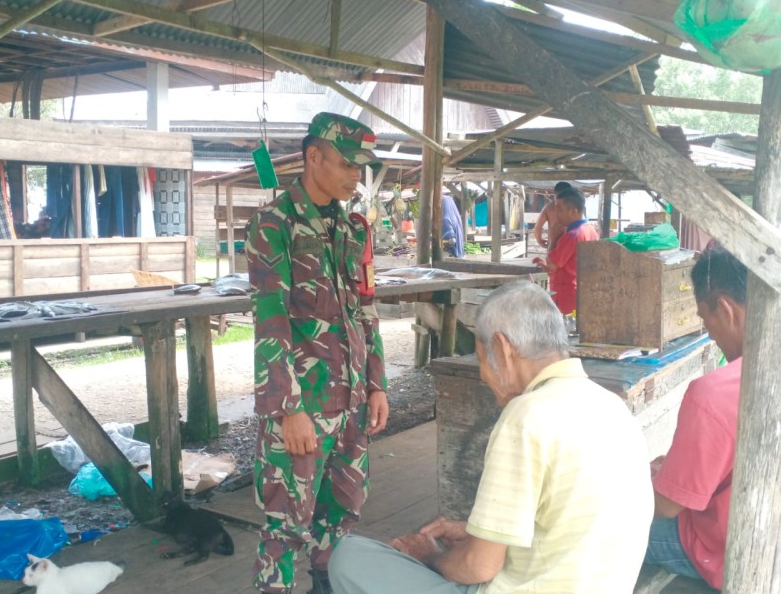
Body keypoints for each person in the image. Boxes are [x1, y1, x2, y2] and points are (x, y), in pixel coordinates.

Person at [329, 280, 654, 593]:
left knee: (348, 556)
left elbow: (478, 568)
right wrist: (477, 534)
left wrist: (427, 554)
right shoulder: (612, 406)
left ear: (502, 347)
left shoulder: (527, 415)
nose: (484, 375)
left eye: (482, 359)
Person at [246, 112, 389, 594]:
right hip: (304, 407)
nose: (356, 176)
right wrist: (287, 411)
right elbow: (272, 322)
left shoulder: (352, 229)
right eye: (348, 165)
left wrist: (376, 385)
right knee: (286, 527)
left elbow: (366, 310)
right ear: (313, 156)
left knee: (341, 520)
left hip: (350, 407)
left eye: (360, 167)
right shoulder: (274, 225)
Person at [645, 245, 747, 590]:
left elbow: (668, 505)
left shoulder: (714, 393)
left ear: (724, 308)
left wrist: (645, 480)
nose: (711, 335)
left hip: (728, 549)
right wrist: (677, 469)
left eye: (706, 320)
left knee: (607, 525)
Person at [532, 186, 598, 315]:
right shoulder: (590, 229)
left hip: (565, 295)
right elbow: (570, 263)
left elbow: (552, 263)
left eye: (559, 210)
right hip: (580, 291)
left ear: (573, 211)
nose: (556, 215)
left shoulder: (572, 235)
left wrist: (553, 239)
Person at [532, 181, 571, 251]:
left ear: (555, 193)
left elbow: (538, 227)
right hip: (569, 246)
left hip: (553, 246)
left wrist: (539, 240)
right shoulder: (574, 208)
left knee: (551, 261)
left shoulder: (549, 207)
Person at [441, 192, 465, 258]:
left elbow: (451, 241)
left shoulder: (445, 219)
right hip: (459, 252)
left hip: (451, 256)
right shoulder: (455, 216)